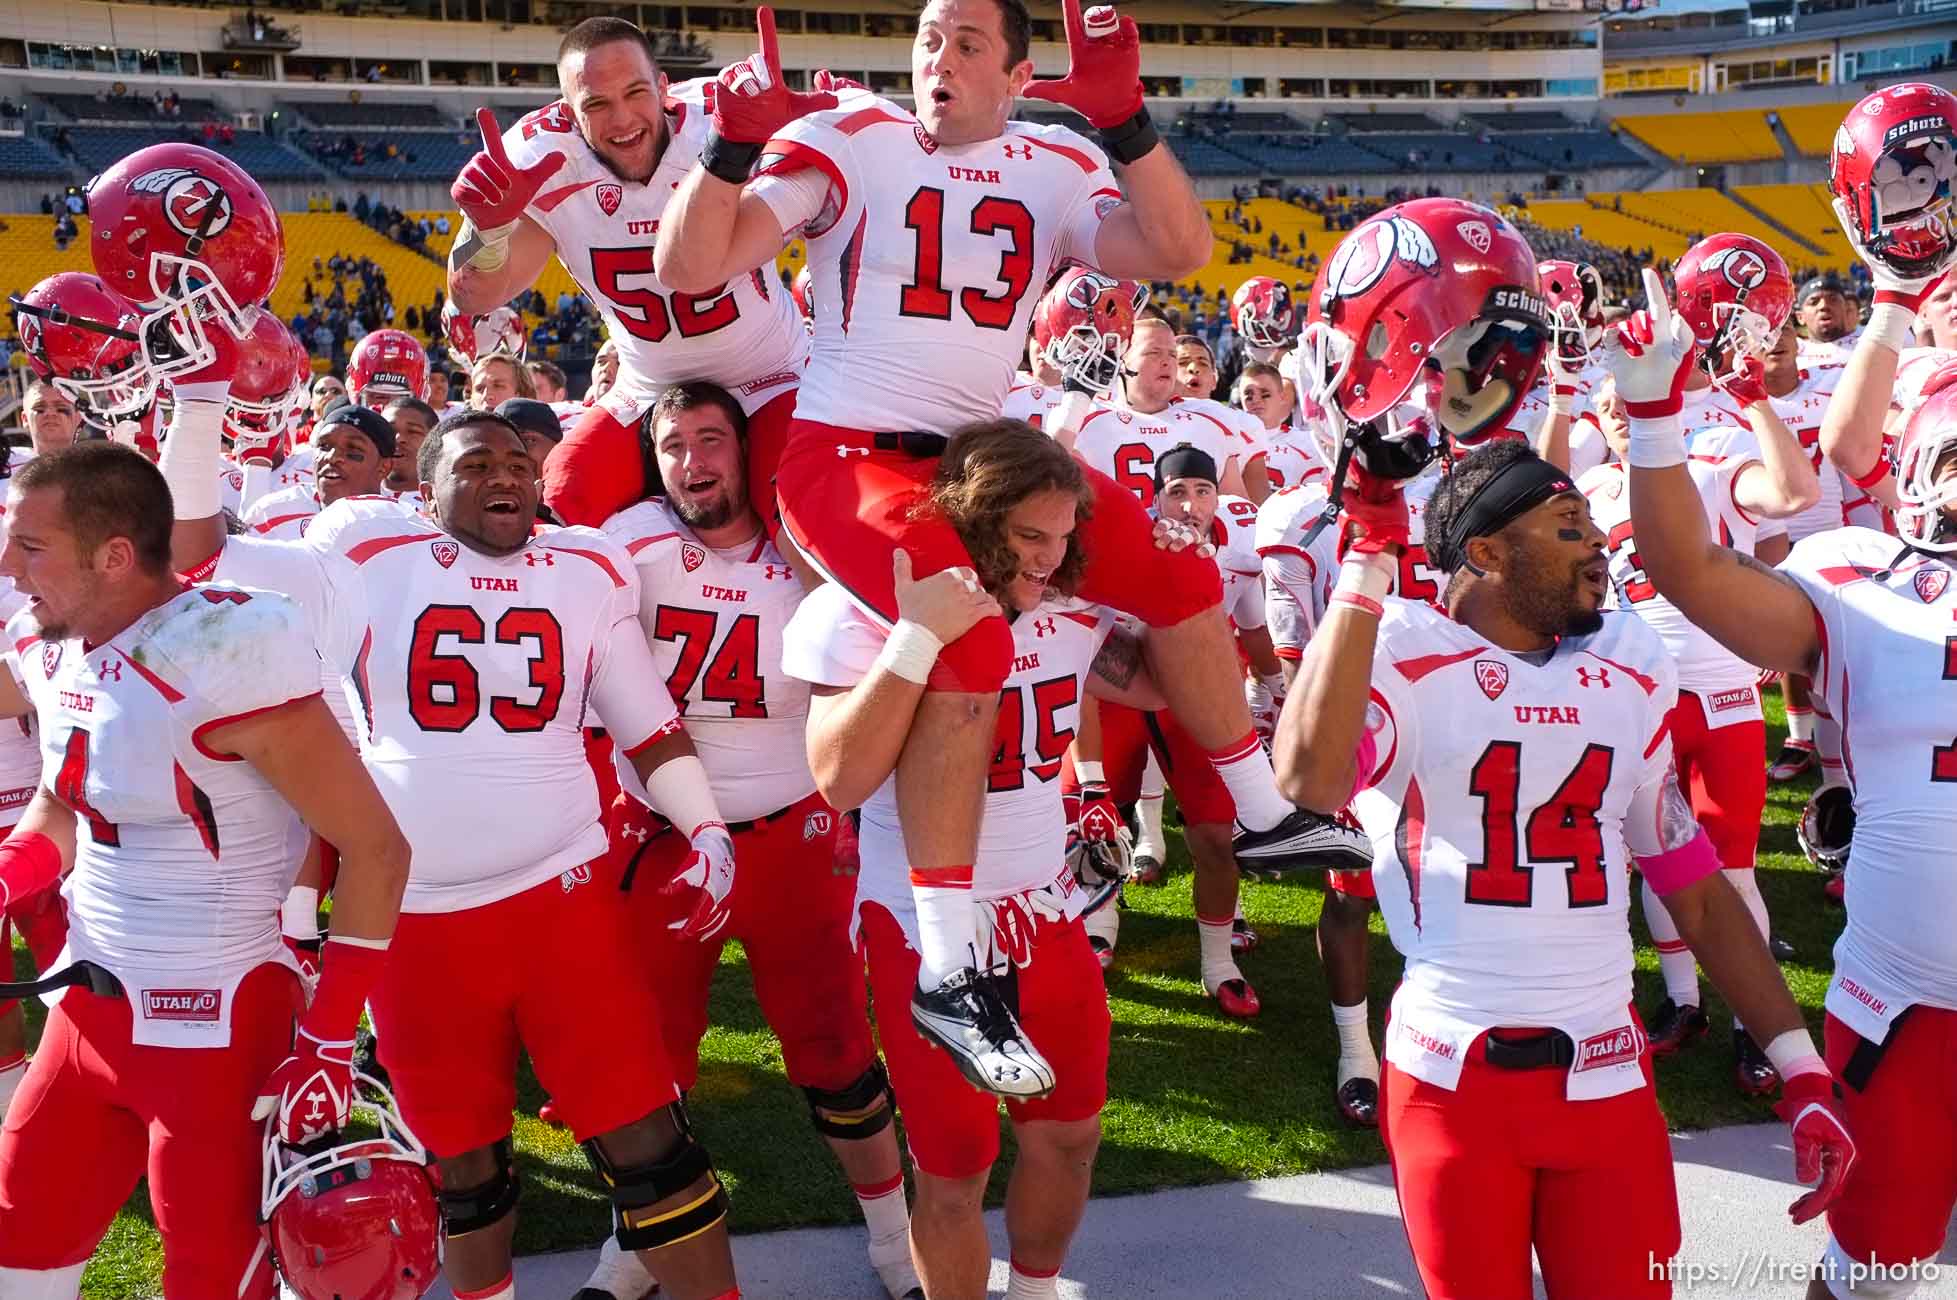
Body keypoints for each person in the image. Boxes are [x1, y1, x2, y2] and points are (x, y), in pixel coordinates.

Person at [652, 0, 1336, 1093]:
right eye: (928, 38)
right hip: (849, 453)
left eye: (967, 42)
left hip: (985, 451)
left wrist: (1125, 123)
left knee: (1174, 570)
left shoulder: (1052, 160)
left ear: (1017, 72)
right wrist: (733, 150)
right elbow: (694, 265)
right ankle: (949, 960)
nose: (938, 58)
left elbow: (1175, 246)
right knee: (965, 635)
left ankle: (1259, 813)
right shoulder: (849, 136)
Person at [159, 400, 747, 1300]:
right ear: (424, 492)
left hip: (562, 899)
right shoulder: (364, 562)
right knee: (461, 1172)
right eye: (474, 464)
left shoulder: (586, 567)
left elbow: (646, 720)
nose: (504, 475)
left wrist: (704, 825)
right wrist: (200, 407)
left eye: (516, 462)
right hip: (412, 923)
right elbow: (195, 550)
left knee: (651, 1148)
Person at [1274, 435, 1855, 1299]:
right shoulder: (1403, 648)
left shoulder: (1626, 665)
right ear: (1486, 551)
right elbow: (1310, 779)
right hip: (1451, 1077)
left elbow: (1694, 890)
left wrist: (1800, 1064)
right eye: (1568, 525)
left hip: (1606, 1071)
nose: (1599, 545)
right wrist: (1363, 564)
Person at [0, 443, 411, 1300]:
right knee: (19, 1256)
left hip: (217, 1027)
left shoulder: (226, 645)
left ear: (115, 555)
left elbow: (375, 847)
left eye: (31, 547)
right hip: (86, 1011)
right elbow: (64, 802)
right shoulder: (63, 641)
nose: (9, 568)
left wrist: (331, 1038)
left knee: (212, 1280)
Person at [785, 419, 1167, 1300]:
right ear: (973, 517)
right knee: (954, 1169)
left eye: (1063, 537)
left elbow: (1160, 680)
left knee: (1069, 1136)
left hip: (1044, 913)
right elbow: (838, 779)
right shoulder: (861, 604)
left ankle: (1033, 1291)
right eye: (1028, 537)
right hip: (925, 934)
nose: (1047, 560)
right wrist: (914, 638)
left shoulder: (1068, 612)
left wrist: (1177, 571)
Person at [582, 381, 916, 1300]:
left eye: (712, 439)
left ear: (747, 447)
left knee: (836, 1051)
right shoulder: (628, 542)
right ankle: (634, 1246)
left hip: (790, 832)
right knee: (646, 1063)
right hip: (656, 839)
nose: (692, 462)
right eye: (673, 443)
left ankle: (896, 1239)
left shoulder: (809, 544)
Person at [445, 16, 810, 530]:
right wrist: (481, 232)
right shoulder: (541, 157)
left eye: (635, 92)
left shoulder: (721, 116)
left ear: (664, 87)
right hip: (647, 384)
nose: (621, 119)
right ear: (570, 114)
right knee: (555, 509)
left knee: (800, 518)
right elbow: (473, 296)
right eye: (596, 104)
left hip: (769, 373)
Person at [1579, 351, 1817, 1093]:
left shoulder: (1711, 463)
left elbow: (1792, 493)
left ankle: (1752, 1022)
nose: (1619, 412)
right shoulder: (1589, 489)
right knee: (1656, 853)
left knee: (1732, 863)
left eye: (1631, 399)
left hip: (1719, 693)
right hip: (1637, 696)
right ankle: (1681, 999)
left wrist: (1753, 401)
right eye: (1607, 405)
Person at [241, 404, 397, 540]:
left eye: (353, 448)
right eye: (324, 446)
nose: (332, 457)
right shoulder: (270, 512)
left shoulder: (403, 526)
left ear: (384, 467)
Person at [1796, 274, 1862, 364]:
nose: (1824, 305)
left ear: (1846, 308)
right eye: (1814, 302)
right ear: (1800, 317)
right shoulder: (1789, 355)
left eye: (1833, 299)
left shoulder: (1872, 343)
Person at [381, 396, 438, 497]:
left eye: (413, 431)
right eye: (390, 430)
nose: (398, 438)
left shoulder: (446, 504)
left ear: (434, 443)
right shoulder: (351, 496)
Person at [18, 382, 82, 459]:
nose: (50, 413)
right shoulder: (6, 466)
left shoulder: (95, 466)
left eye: (60, 408)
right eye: (40, 409)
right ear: (25, 419)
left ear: (78, 418)